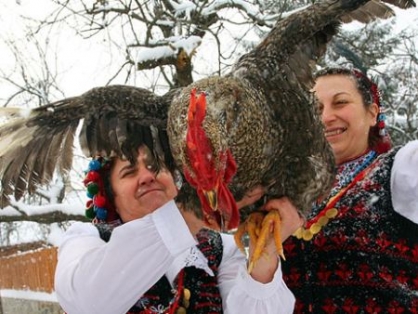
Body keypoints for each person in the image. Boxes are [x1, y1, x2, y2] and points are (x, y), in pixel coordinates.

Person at [54, 123, 302, 314]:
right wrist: (193, 212)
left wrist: (265, 256)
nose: (147, 177)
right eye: (130, 172)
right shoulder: (86, 239)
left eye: (155, 167)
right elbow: (90, 301)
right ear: (111, 197)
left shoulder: (221, 248)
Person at [282, 66, 418, 312]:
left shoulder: (401, 169)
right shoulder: (288, 192)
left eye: (340, 102)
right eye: (315, 108)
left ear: (372, 112)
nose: (326, 117)